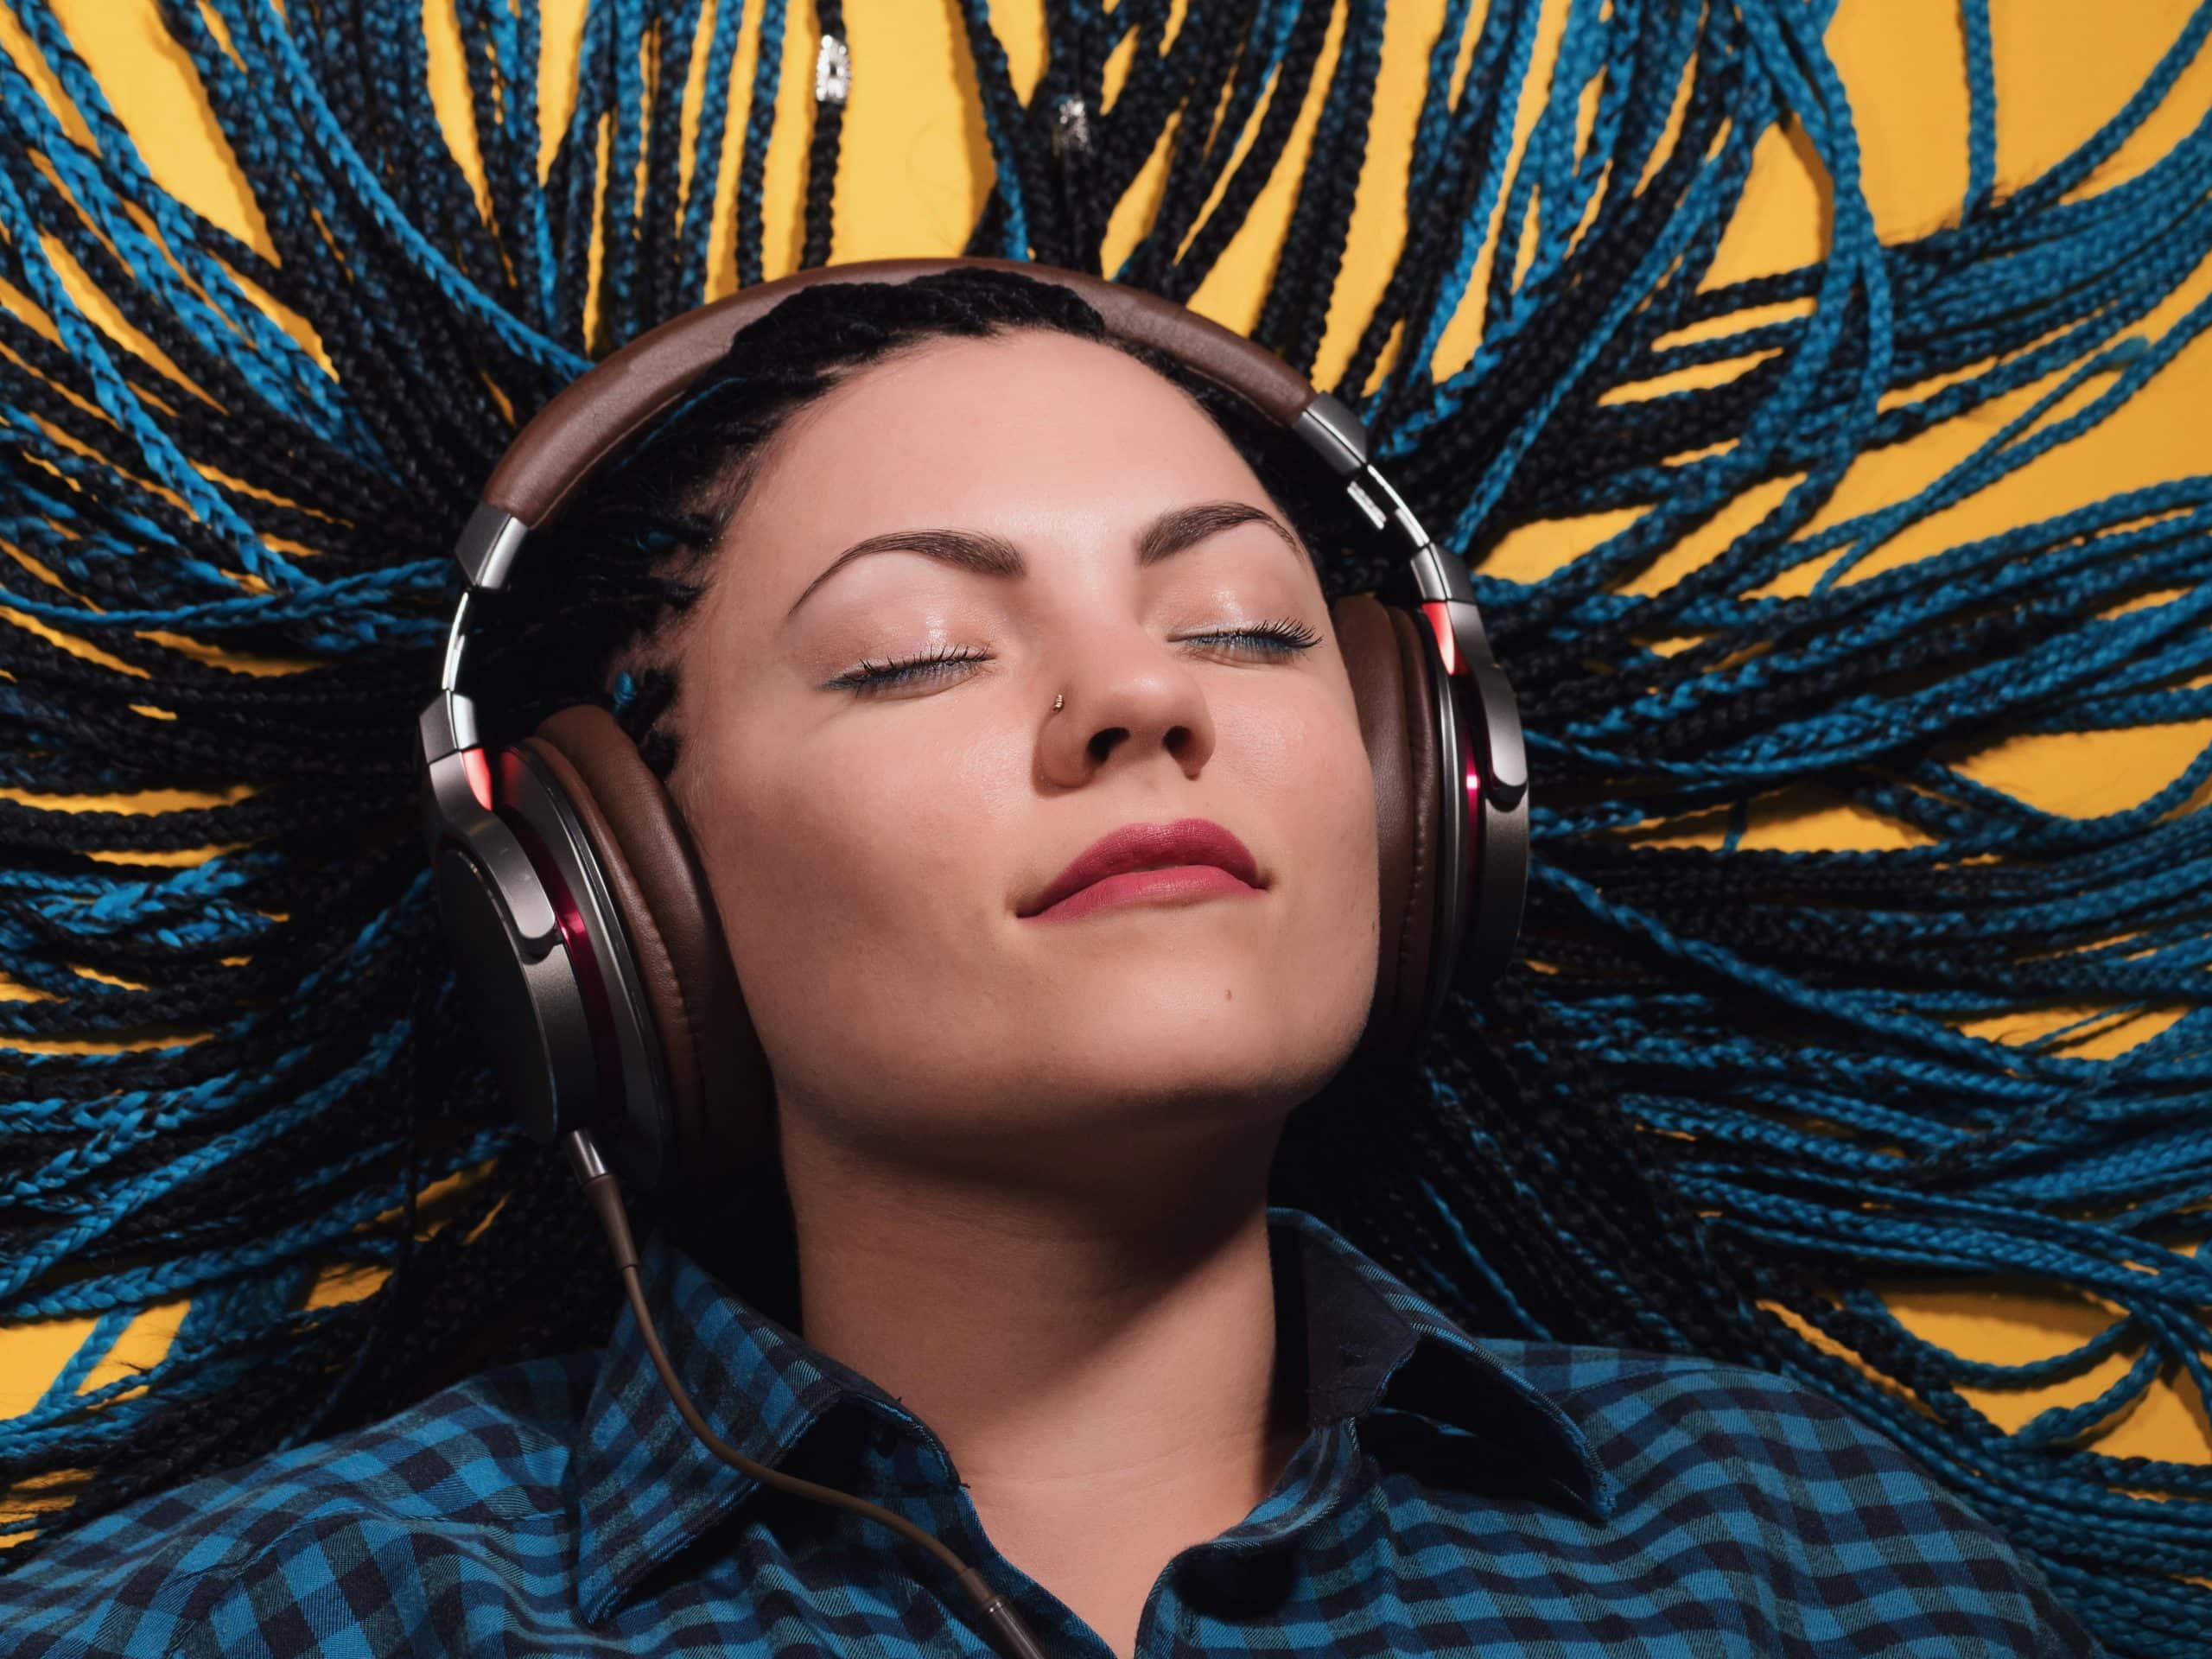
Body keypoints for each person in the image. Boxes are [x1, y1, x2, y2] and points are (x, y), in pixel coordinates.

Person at [0, 268, 2100, 1657]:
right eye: (915, 649)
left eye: (1245, 628)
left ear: (1416, 787)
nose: (1135, 704)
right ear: (610, 899)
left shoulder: (1799, 1554)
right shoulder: (285, 1607)